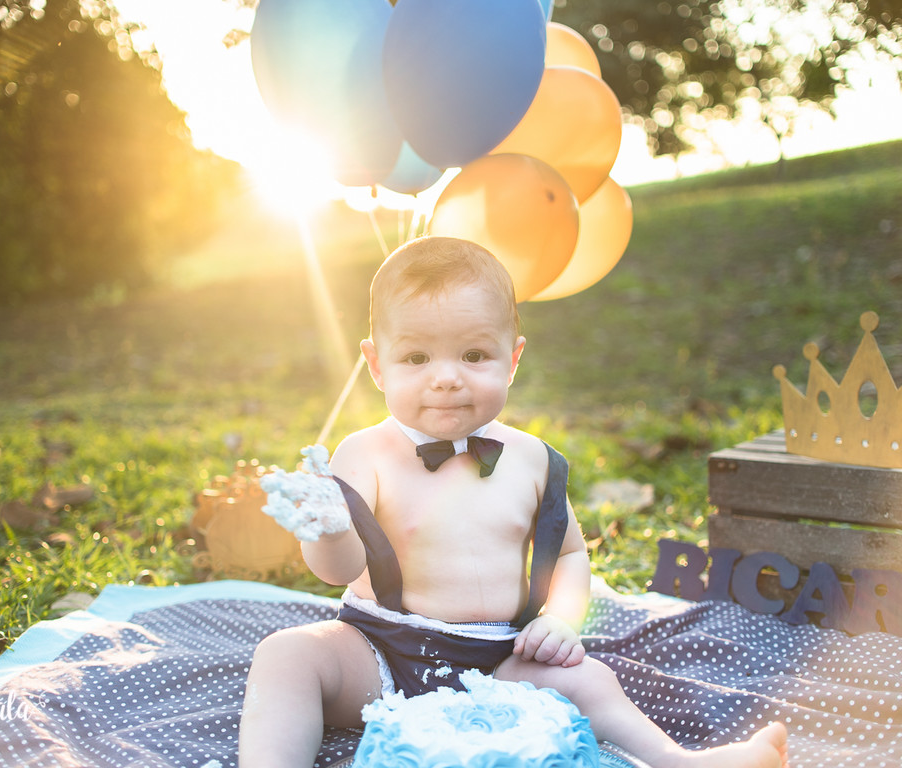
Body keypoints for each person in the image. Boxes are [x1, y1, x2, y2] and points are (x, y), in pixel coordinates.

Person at [238, 236, 788, 768]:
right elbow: (339, 571)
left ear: (513, 359)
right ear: (377, 364)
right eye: (416, 357)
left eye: (474, 354)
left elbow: (571, 553)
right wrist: (331, 530)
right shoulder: (365, 453)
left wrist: (562, 621)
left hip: (504, 662)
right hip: (381, 650)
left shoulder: (531, 460)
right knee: (288, 654)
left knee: (592, 680)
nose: (447, 377)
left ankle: (677, 760)